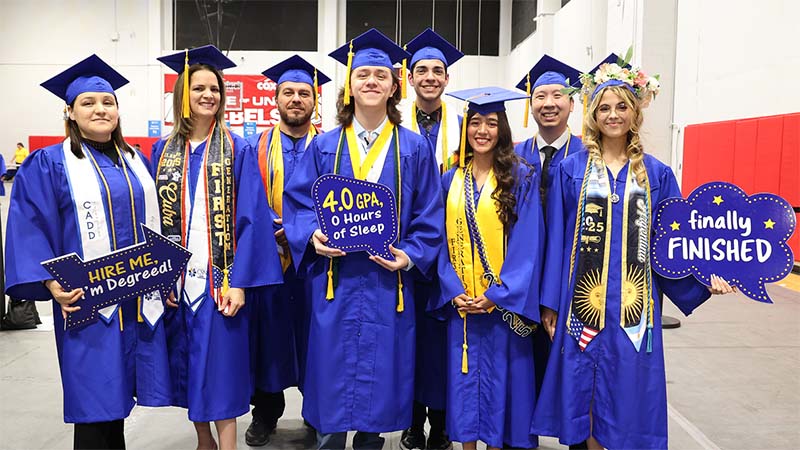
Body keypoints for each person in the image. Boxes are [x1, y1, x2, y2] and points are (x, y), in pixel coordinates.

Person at [531, 56, 736, 449]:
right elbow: (555, 241)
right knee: (583, 386)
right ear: (592, 113)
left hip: (633, 310)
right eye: (604, 107)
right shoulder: (571, 170)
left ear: (635, 111)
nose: (613, 115)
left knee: (627, 390)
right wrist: (549, 304)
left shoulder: (656, 174)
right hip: (581, 307)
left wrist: (707, 278)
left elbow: (675, 246)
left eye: (622, 106)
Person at [283, 28, 444, 450]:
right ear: (350, 86)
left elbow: (430, 216)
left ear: (394, 86)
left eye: (380, 75)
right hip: (333, 284)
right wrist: (313, 235)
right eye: (362, 74)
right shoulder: (325, 147)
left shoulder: (413, 148)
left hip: (386, 284)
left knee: (378, 388)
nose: (371, 81)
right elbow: (298, 205)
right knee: (331, 388)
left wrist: (408, 257)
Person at [4, 54, 171, 449]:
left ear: (117, 110)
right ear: (70, 112)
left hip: (136, 300)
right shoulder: (50, 163)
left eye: (107, 102)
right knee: (94, 402)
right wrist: (50, 283)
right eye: (88, 103)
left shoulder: (135, 162)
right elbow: (29, 225)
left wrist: (164, 279)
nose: (100, 109)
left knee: (117, 406)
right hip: (86, 303)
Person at [152, 45, 283, 450]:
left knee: (223, 369)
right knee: (188, 363)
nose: (208, 95)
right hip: (177, 284)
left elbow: (253, 221)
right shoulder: (162, 151)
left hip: (219, 281)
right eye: (199, 88)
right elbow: (152, 221)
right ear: (182, 95)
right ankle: (203, 439)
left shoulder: (237, 150)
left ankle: (226, 445)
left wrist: (240, 282)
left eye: (215, 88)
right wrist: (158, 277)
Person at [431, 87, 543, 450]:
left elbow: (528, 245)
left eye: (491, 123)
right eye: (475, 122)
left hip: (502, 308)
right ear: (465, 129)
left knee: (500, 389)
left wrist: (497, 295)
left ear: (502, 129)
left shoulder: (520, 177)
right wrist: (452, 290)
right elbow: (439, 242)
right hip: (462, 306)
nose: (482, 130)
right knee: (464, 389)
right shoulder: (450, 179)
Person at [244, 55, 331, 447]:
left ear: (315, 101)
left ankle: (316, 414)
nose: (296, 99)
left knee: (318, 338)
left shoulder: (331, 146)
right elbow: (246, 199)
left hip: (317, 260)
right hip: (270, 260)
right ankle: (265, 413)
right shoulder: (255, 145)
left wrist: (302, 232)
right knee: (269, 338)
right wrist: (275, 229)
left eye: (304, 93)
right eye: (288, 93)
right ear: (275, 99)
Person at [398, 27, 464, 450]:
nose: (429, 77)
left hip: (454, 251)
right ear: (409, 77)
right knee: (408, 341)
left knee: (442, 345)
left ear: (446, 78)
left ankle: (439, 424)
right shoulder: (393, 122)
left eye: (437, 70)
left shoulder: (463, 125)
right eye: (421, 69)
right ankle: (410, 421)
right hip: (404, 249)